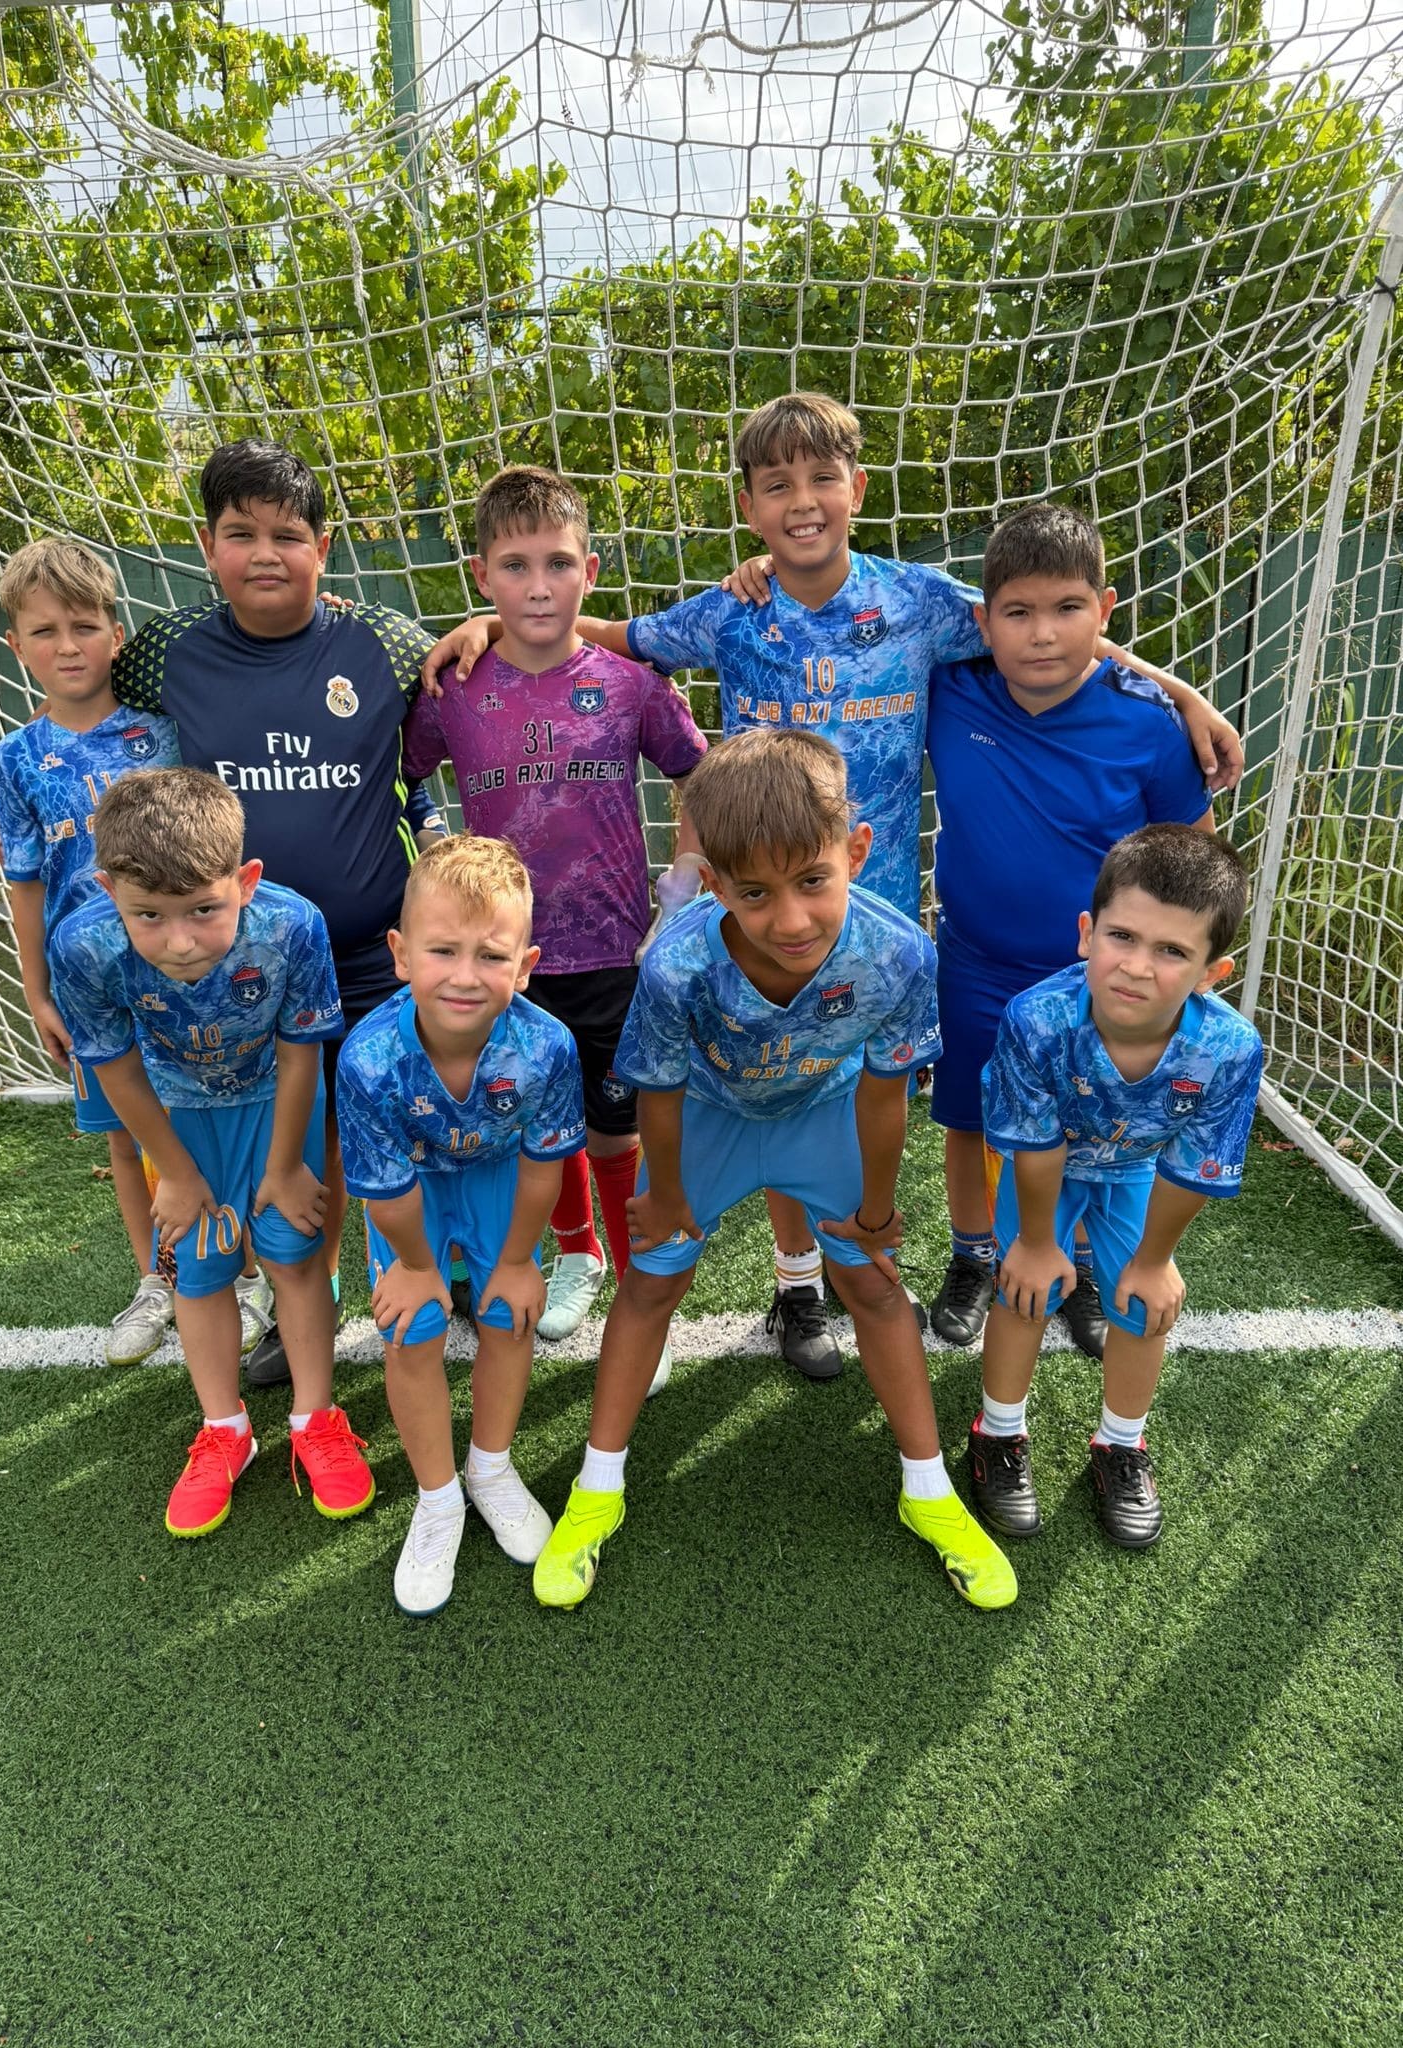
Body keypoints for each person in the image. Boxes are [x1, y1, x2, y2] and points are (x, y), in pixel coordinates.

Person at [421, 394, 1244, 1384]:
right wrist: (492, 622)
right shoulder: (733, 608)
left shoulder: (921, 602)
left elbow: (1043, 618)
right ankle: (797, 1278)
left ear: (857, 487)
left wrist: (1179, 692)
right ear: (749, 505)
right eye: (778, 484)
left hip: (876, 924)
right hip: (762, 921)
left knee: (868, 1107)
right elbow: (617, 633)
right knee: (779, 1088)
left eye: (823, 479)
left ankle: (894, 1259)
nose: (803, 501)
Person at [0, 441, 443, 1386]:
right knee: (300, 1138)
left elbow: (463, 668)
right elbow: (85, 710)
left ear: (323, 546)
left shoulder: (388, 641)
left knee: (400, 1116)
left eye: (288, 535)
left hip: (375, 948)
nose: (265, 553)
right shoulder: (164, 650)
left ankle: (434, 1270)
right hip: (231, 959)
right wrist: (18, 786)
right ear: (206, 545)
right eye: (241, 534)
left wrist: (482, 624)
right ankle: (300, 1291)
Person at [531, 729, 1019, 1614]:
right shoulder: (677, 963)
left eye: (812, 881)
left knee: (873, 1286)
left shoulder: (898, 952)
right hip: (709, 1119)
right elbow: (660, 1091)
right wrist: (664, 1194)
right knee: (650, 1283)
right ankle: (596, 1487)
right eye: (755, 893)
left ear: (857, 852)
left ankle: (929, 1489)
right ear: (714, 883)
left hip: (821, 1114)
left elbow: (883, 1092)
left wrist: (877, 1206)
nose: (790, 920)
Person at [400, 466, 707, 1373]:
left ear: (591, 570)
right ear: (481, 575)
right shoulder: (453, 689)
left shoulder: (629, 682)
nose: (539, 587)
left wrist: (685, 875)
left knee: (615, 1128)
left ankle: (639, 1303)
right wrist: (433, 847)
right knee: (536, 1118)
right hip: (500, 960)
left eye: (559, 564)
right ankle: (579, 1252)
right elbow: (403, 778)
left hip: (611, 950)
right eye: (515, 566)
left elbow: (700, 774)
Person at [49, 767, 375, 1537]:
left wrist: (286, 1166)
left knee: (296, 1257)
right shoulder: (83, 944)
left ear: (246, 881)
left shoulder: (292, 925)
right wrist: (176, 1172)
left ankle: (316, 1418)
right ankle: (224, 1429)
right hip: (178, 1115)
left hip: (278, 1103)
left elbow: (301, 1052)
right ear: (108, 891)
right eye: (149, 915)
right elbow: (116, 1068)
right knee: (197, 1272)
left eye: (203, 909)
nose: (180, 941)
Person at [923, 502, 1216, 1359]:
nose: (1043, 633)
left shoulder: (1148, 724)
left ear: (1104, 611)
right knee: (968, 1118)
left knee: (1090, 1128)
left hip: (1096, 982)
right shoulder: (952, 689)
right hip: (975, 963)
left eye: (1067, 609)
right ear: (985, 622)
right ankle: (973, 1255)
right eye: (1018, 612)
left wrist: (1179, 694)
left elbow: (1191, 856)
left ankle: (1081, 1265)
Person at [972, 825, 1262, 1548]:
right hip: (1050, 1163)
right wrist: (1036, 1242)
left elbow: (1192, 1166)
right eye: (1122, 937)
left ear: (1211, 973)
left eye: (1172, 951)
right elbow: (1038, 1147)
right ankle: (997, 1434)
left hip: (1137, 1166)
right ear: (1086, 933)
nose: (1136, 966)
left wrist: (1155, 1260)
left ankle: (1121, 1444)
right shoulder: (1036, 1021)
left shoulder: (1228, 1049)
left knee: (1144, 1304)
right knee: (1025, 1287)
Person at [335, 836, 587, 1615]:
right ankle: (438, 1496)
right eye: (443, 950)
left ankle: (490, 1466)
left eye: (491, 955)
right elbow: (386, 1192)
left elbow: (544, 1166)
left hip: (498, 1178)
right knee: (411, 1332)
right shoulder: (368, 1060)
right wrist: (416, 1268)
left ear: (526, 965)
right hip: (410, 1192)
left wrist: (517, 1260)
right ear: (400, 954)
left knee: (510, 1315)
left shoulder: (547, 1047)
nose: (466, 975)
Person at [0, 537, 182, 1365]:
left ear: (115, 633)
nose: (66, 647)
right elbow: (25, 882)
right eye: (44, 631)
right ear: (17, 645)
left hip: (182, 969)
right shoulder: (15, 757)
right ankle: (154, 1282)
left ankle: (239, 1274)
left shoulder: (164, 733)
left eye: (83, 626)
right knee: (124, 1136)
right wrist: (37, 992)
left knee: (200, 1124)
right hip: (87, 984)